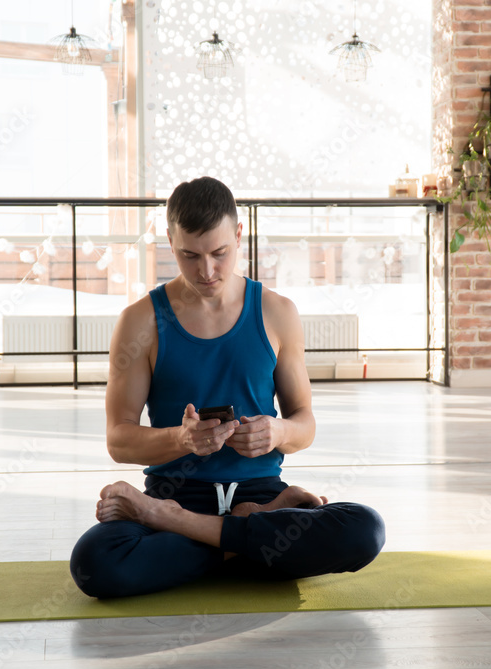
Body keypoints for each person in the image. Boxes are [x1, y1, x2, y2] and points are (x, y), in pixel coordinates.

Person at [70, 176, 385, 598]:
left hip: (251, 495)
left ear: (239, 235)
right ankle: (243, 545)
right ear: (169, 241)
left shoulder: (277, 312)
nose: (207, 270)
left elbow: (304, 422)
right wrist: (182, 439)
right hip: (180, 494)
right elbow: (119, 440)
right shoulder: (140, 321)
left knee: (365, 530)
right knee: (94, 564)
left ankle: (183, 529)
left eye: (220, 253)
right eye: (189, 255)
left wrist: (278, 432)